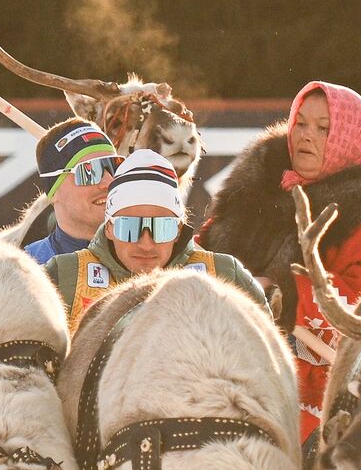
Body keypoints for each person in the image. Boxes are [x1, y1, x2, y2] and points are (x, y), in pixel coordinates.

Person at [198, 82, 361, 442]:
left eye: (323, 128)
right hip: (226, 369)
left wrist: (282, 293)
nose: (305, 136)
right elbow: (208, 248)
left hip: (317, 400)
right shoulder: (260, 188)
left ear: (347, 136)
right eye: (300, 123)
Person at [44, 149, 266, 332]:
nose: (146, 244)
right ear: (109, 228)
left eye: (162, 228)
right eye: (130, 228)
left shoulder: (224, 276)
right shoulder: (66, 276)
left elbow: (267, 361)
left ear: (178, 230)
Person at [23, 118, 120, 263]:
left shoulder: (147, 258)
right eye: (90, 171)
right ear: (53, 191)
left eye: (114, 167)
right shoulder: (27, 268)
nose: (109, 182)